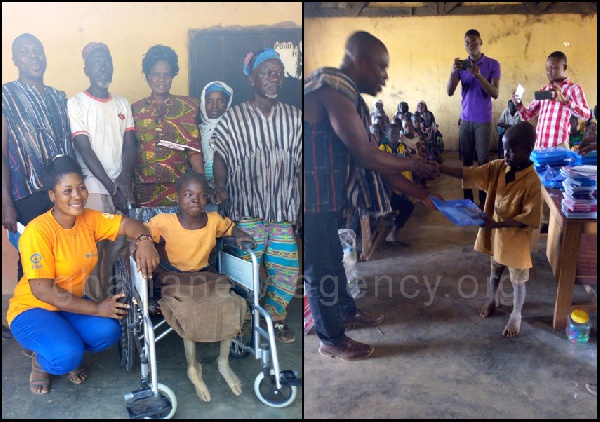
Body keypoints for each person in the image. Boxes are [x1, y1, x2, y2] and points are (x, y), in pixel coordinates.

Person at [304, 30, 440, 360]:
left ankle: (345, 311)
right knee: (319, 269)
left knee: (333, 260)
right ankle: (330, 339)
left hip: (325, 196)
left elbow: (377, 160)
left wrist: (420, 194)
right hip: (306, 198)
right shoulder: (332, 89)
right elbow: (366, 155)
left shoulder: (348, 97)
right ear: (359, 61)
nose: (385, 76)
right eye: (380, 67)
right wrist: (413, 163)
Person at [6, 155, 160, 395]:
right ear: (52, 195)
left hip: (68, 304)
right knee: (65, 356)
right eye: (67, 191)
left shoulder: (89, 219)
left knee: (108, 332)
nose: (77, 196)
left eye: (80, 188)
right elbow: (43, 291)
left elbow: (128, 224)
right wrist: (97, 308)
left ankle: (63, 343)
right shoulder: (38, 231)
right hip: (32, 308)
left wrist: (144, 241)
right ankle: (42, 361)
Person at [211, 48, 302, 344]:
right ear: (252, 79)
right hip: (245, 212)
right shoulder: (233, 118)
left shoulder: (294, 118)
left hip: (282, 211)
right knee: (243, 272)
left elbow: (302, 165)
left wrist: (302, 205)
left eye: (278, 73)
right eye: (267, 73)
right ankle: (244, 320)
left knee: (286, 271)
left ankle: (275, 319)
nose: (274, 78)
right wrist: (221, 186)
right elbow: (221, 156)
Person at [144, 170, 255, 401]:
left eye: (202, 195)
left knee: (231, 303)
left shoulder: (214, 221)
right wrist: (141, 246)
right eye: (189, 194)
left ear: (208, 198)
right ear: (177, 197)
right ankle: (193, 367)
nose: (196, 199)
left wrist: (241, 233)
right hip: (173, 279)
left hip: (205, 277)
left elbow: (231, 228)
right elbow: (141, 235)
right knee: (191, 309)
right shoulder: (163, 222)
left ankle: (223, 362)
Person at [2, 33, 76, 340]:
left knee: (64, 261)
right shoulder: (5, 96)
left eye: (38, 51)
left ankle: (65, 327)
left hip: (60, 196)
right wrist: (5, 202)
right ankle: (34, 337)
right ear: (15, 59)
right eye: (25, 52)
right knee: (33, 265)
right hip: (26, 195)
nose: (34, 57)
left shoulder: (60, 98)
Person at [439, 121, 542, 337]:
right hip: (497, 237)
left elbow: (529, 217)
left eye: (512, 150)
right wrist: (440, 168)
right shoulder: (498, 167)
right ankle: (493, 298)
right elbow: (471, 173)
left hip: (516, 240)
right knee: (495, 271)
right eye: (504, 149)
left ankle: (516, 313)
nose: (506, 154)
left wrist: (497, 224)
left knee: (518, 280)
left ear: (528, 151)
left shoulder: (532, 181)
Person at [68, 42, 137, 302]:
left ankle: (118, 307)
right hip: (94, 190)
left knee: (119, 251)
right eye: (96, 62)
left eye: (106, 61)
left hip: (120, 187)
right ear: (86, 68)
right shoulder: (76, 103)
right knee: (94, 253)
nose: (102, 66)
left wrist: (123, 179)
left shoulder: (122, 103)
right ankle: (97, 308)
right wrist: (112, 186)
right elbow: (83, 148)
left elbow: (130, 144)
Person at [132, 44, 205, 205]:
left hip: (179, 189)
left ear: (172, 76)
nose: (161, 79)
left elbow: (194, 150)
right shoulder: (135, 109)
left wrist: (201, 183)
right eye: (156, 74)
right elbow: (129, 148)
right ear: (148, 76)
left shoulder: (188, 107)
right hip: (143, 189)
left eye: (166, 74)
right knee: (146, 230)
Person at [447, 28, 501, 209]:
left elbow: (494, 93)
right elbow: (449, 92)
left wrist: (478, 75)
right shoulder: (461, 66)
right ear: (465, 45)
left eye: (474, 42)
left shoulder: (493, 64)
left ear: (481, 43)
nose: (471, 46)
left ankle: (484, 201)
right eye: (467, 43)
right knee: (467, 162)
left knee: (483, 162)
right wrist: (452, 73)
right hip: (465, 119)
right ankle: (468, 202)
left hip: (483, 120)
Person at [512, 51, 590, 150]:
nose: (549, 72)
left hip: (559, 145)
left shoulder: (574, 89)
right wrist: (518, 104)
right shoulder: (544, 90)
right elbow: (527, 115)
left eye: (554, 68)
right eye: (547, 69)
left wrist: (566, 102)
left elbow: (586, 115)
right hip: (540, 145)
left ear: (564, 67)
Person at [379, 123, 415, 246]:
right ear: (387, 135)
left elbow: (408, 159)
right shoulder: (382, 148)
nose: (395, 136)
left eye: (396, 134)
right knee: (407, 206)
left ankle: (392, 230)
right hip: (389, 185)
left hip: (401, 181)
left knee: (406, 202)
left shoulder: (402, 146)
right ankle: (392, 233)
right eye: (392, 134)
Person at [196, 81, 233, 190]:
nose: (215, 106)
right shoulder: (197, 130)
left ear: (228, 102)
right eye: (209, 101)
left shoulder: (233, 128)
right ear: (203, 103)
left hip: (228, 186)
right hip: (202, 187)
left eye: (220, 101)